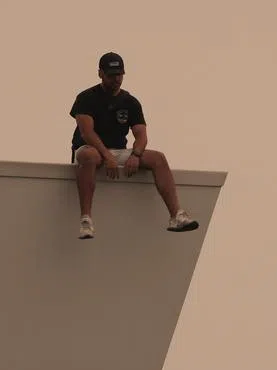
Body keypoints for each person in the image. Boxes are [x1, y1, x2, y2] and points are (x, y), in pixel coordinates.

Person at [69, 52, 199, 239]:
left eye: (119, 74)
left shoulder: (130, 102)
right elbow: (87, 133)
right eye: (111, 75)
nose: (116, 79)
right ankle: (86, 219)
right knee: (90, 156)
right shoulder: (86, 98)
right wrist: (107, 157)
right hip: (90, 149)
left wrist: (136, 155)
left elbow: (141, 134)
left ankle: (176, 215)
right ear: (100, 74)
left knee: (158, 158)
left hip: (118, 150)